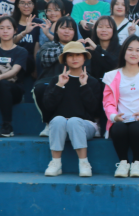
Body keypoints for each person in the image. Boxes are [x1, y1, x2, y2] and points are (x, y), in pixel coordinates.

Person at [102, 36, 139, 178]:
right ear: (124, 52)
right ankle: (123, 163)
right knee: (118, 128)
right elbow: (108, 103)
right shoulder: (111, 76)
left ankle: (137, 163)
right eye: (130, 49)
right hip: (120, 122)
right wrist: (114, 116)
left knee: (136, 128)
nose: (134, 53)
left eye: (138, 50)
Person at [42, 42, 103, 178]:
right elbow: (48, 106)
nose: (74, 58)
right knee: (57, 120)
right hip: (61, 126)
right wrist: (59, 86)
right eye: (70, 55)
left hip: (85, 125)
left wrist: (84, 86)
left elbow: (94, 109)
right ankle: (55, 163)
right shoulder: (56, 80)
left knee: (74, 121)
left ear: (84, 58)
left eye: (78, 55)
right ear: (65, 59)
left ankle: (84, 163)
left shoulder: (92, 82)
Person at [35, 17, 80, 136]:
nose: (66, 31)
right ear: (56, 31)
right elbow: (46, 59)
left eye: (70, 29)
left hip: (73, 80)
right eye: (63, 28)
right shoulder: (48, 45)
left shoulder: (81, 48)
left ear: (75, 32)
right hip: (50, 80)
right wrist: (70, 48)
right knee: (40, 88)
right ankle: (48, 123)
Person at [10, 0, 43, 75]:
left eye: (29, 3)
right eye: (22, 3)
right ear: (17, 5)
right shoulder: (11, 22)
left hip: (29, 63)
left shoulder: (38, 23)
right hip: (11, 59)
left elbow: (37, 47)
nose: (26, 6)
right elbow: (8, 42)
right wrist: (24, 32)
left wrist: (36, 68)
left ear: (34, 5)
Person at [85, 16, 120, 91]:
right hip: (94, 90)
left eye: (108, 27)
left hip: (114, 90)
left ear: (114, 30)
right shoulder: (89, 51)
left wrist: (97, 49)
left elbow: (114, 65)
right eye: (100, 27)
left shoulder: (121, 49)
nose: (104, 30)